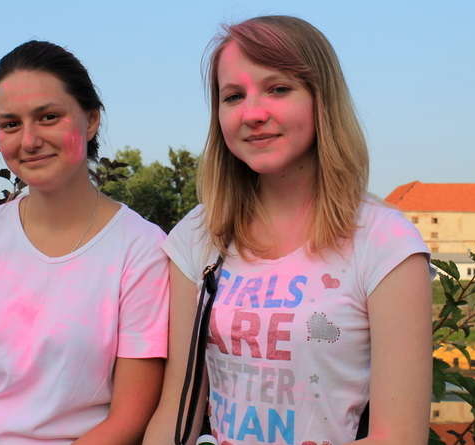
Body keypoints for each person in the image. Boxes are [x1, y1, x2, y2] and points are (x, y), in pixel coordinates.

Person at [143, 15, 432, 445]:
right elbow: (176, 414)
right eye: (233, 96)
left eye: (278, 89)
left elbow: (400, 437)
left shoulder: (386, 244)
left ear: (322, 99)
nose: (253, 113)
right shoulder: (199, 236)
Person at [0, 40, 169, 445]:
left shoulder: (142, 248)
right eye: (10, 124)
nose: (29, 140)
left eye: (48, 117)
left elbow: (129, 418)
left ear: (91, 120)